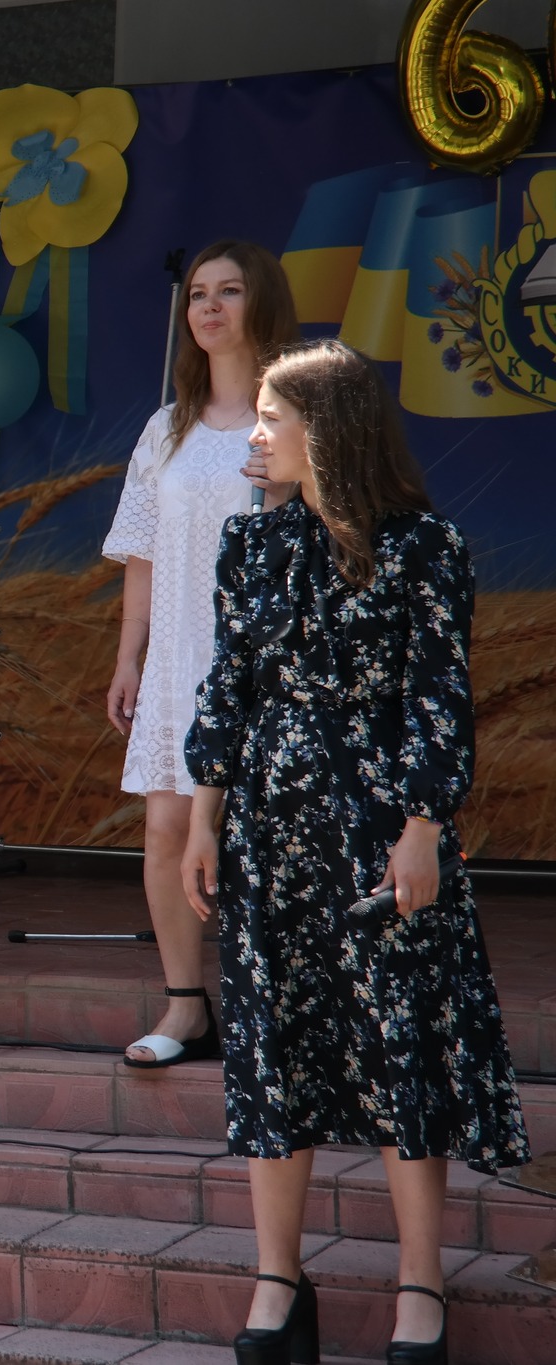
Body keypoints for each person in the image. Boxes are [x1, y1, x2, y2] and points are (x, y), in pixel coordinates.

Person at [182, 340, 528, 1365]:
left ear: (324, 430)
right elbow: (226, 687)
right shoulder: (250, 544)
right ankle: (277, 1285)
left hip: (379, 829)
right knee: (272, 1052)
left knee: (398, 1044)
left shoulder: (424, 545)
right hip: (267, 828)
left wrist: (421, 829)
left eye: (270, 418)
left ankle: (420, 1286)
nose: (253, 436)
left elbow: (438, 696)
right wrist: (201, 819)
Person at [102, 240, 301, 1068]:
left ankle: (282, 1010)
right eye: (196, 294)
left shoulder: (296, 416)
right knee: (165, 829)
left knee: (272, 837)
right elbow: (142, 550)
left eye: (229, 291)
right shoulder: (167, 426)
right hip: (181, 657)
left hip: (271, 660)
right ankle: (186, 1004)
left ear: (264, 302)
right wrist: (129, 658)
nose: (209, 307)